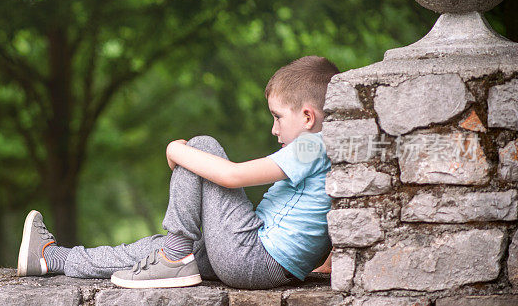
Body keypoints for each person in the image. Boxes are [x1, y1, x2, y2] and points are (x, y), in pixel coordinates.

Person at [17, 55, 340, 289]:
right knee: (154, 248)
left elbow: (234, 176)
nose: (273, 129)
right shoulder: (330, 147)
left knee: (200, 146)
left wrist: (176, 151)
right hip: (258, 260)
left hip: (254, 258)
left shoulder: (314, 144)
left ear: (308, 117)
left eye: (278, 117)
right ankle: (53, 259)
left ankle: (175, 257)